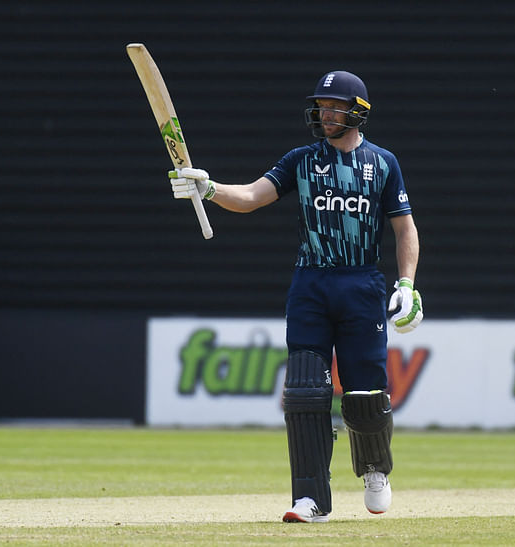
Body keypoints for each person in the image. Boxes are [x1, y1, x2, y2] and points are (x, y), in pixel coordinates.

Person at [169, 70, 423, 522]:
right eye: (321, 107)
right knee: (305, 391)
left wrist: (407, 284)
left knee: (364, 392)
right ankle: (310, 499)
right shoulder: (301, 160)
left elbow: (405, 228)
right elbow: (249, 197)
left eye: (334, 107)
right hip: (311, 284)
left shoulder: (383, 163)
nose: (324, 114)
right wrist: (207, 188)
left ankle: (373, 469)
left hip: (362, 284)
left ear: (358, 112)